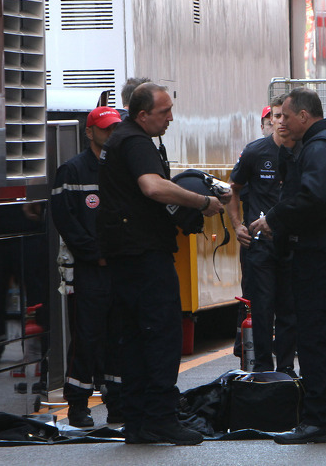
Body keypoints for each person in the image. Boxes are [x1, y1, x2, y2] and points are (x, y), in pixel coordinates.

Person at [97, 82, 228, 445]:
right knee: (162, 337)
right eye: (164, 112)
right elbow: (153, 188)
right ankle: (160, 419)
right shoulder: (136, 141)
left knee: (137, 340)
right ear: (142, 115)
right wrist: (201, 203)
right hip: (144, 255)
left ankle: (139, 422)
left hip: (126, 256)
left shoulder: (118, 140)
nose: (171, 118)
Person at [249, 87, 326, 444]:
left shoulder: (320, 147)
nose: (279, 122)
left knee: (315, 340)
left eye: (284, 116)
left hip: (321, 257)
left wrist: (275, 219)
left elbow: (317, 196)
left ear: (303, 115)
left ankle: (318, 421)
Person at [51, 106, 123, 427]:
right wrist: (95, 254)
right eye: (105, 129)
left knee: (117, 335)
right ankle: (78, 405)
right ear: (90, 132)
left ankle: (117, 402)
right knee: (86, 336)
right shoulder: (72, 171)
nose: (111, 135)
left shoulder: (123, 168)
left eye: (115, 129)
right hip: (87, 269)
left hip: (118, 267)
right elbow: (65, 220)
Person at [226, 95, 296, 374]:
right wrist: (237, 224)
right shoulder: (256, 151)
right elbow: (233, 188)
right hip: (259, 246)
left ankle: (288, 366)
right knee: (262, 307)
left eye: (284, 116)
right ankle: (264, 367)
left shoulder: (303, 151)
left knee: (289, 309)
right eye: (275, 116)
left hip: (291, 243)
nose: (280, 122)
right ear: (270, 120)